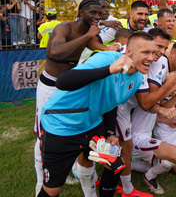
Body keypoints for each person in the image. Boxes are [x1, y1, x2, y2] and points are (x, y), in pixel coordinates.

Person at [38, 32, 156, 197]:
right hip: (61, 125)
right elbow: (63, 81)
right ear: (128, 51)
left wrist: (109, 133)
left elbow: (112, 102)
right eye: (146, 52)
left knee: (114, 164)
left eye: (153, 53)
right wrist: (109, 70)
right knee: (53, 189)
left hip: (91, 124)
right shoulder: (107, 59)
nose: (151, 58)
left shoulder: (137, 79)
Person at [33, 0, 103, 196]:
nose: (97, 16)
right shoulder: (64, 28)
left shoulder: (90, 31)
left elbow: (101, 48)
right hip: (50, 86)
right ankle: (41, 183)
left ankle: (74, 172)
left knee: (73, 132)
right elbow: (55, 52)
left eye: (100, 13)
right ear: (81, 12)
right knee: (44, 135)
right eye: (93, 13)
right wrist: (88, 36)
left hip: (70, 87)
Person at [130, 40, 176, 194]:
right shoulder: (161, 63)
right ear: (171, 53)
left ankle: (126, 163)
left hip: (144, 134)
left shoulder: (168, 71)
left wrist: (165, 118)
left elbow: (156, 107)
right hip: (135, 137)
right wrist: (175, 86)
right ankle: (148, 177)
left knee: (169, 167)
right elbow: (147, 103)